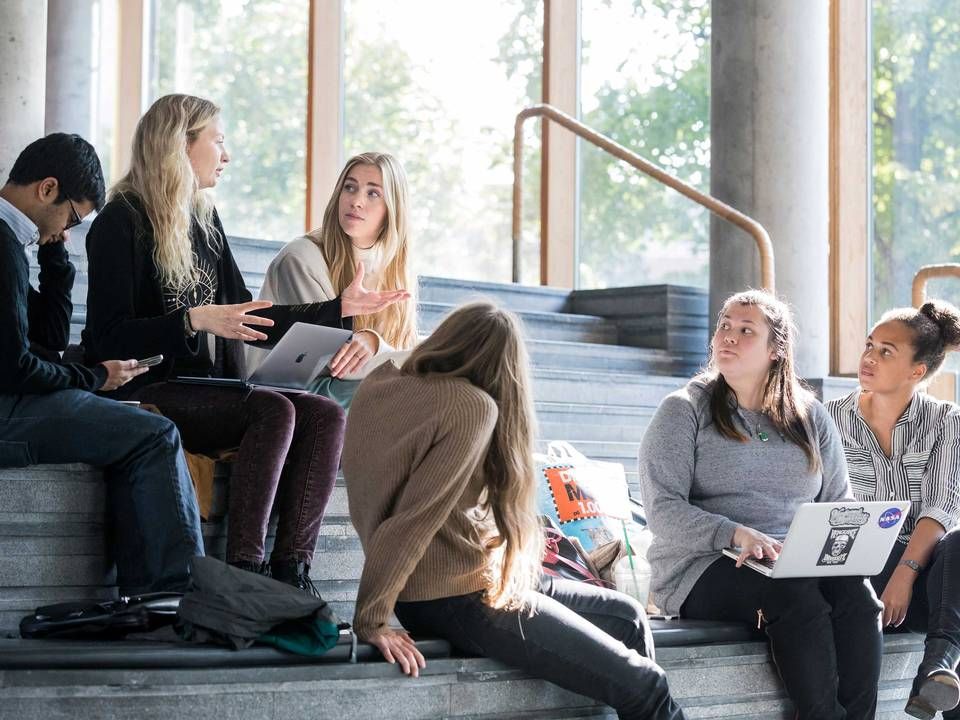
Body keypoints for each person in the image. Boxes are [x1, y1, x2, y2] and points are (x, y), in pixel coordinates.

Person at [82, 94, 407, 593]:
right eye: (218, 141)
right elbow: (107, 336)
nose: (226, 155)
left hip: (204, 388)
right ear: (180, 146)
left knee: (325, 415)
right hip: (147, 387)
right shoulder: (119, 221)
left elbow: (252, 317)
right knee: (274, 410)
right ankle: (245, 569)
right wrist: (191, 320)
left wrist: (337, 309)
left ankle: (292, 572)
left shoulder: (204, 220)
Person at [342, 302, 687, 720]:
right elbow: (412, 520)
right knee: (647, 685)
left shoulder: (381, 382)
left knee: (628, 615)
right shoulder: (470, 406)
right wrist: (372, 618)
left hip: (479, 575)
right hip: (455, 595)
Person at [639, 290, 883, 720]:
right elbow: (663, 509)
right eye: (724, 326)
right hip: (707, 564)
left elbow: (837, 501)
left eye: (745, 330)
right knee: (793, 592)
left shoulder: (809, 415)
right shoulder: (683, 410)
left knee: (858, 596)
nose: (727, 337)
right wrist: (735, 533)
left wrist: (845, 541)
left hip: (796, 559)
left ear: (776, 350)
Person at [0, 133, 203, 593]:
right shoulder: (2, 246)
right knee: (155, 435)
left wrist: (55, 255)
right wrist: (96, 376)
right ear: (47, 188)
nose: (66, 230)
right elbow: (15, 368)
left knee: (140, 428)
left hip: (13, 398)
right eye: (72, 217)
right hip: (7, 405)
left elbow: (48, 344)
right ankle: (174, 596)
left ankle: (150, 595)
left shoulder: (13, 242)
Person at [826, 300, 960, 720]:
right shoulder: (829, 419)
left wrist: (905, 575)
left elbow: (939, 511)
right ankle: (939, 671)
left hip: (926, 578)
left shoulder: (946, 421)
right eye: (870, 345)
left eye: (887, 351)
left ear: (916, 372)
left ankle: (937, 664)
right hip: (859, 571)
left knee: (959, 542)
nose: (869, 357)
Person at [250, 151, 416, 407]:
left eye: (373, 193)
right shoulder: (301, 258)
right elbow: (335, 363)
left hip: (343, 387)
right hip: (284, 394)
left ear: (393, 208)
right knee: (410, 392)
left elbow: (403, 346)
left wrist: (377, 345)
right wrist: (376, 344)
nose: (356, 201)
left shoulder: (394, 265)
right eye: (350, 188)